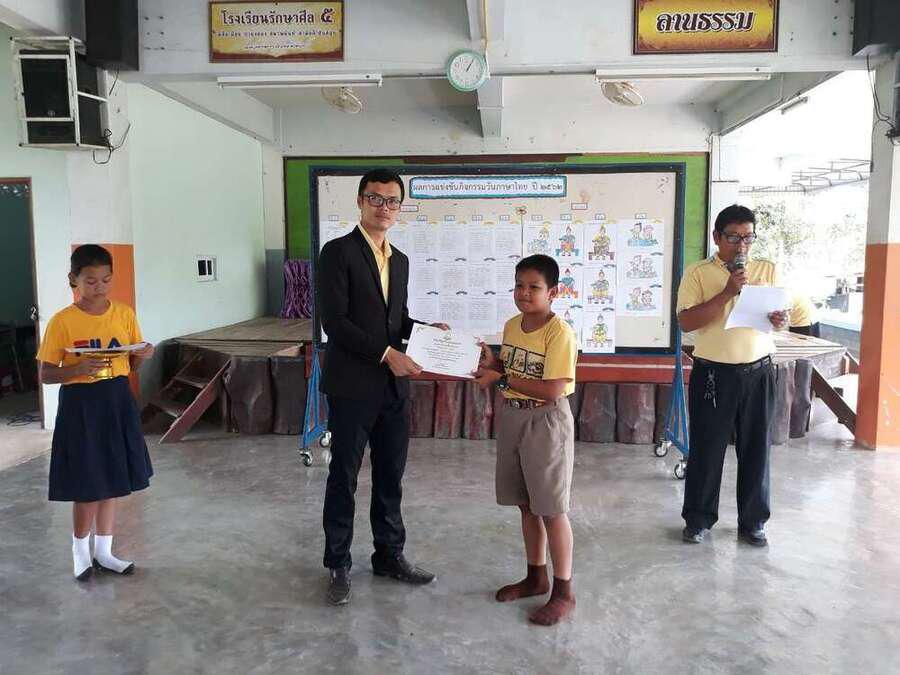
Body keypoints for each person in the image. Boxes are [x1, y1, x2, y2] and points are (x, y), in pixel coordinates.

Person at [317, 168, 448, 606]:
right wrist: (387, 354)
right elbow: (335, 322)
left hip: (393, 389)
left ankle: (389, 556)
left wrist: (427, 332)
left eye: (392, 201)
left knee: (391, 475)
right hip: (352, 386)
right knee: (344, 477)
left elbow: (396, 321)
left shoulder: (401, 260)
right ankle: (338, 562)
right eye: (375, 198)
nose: (384, 207)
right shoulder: (337, 252)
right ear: (360, 201)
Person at [36, 245, 155, 581]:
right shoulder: (62, 321)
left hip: (117, 400)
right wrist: (76, 369)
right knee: (88, 483)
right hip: (81, 404)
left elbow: (131, 365)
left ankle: (104, 552)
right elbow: (45, 374)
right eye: (90, 281)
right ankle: (80, 553)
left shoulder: (124, 314)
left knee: (113, 479)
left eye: (105, 280)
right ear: (73, 279)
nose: (99, 287)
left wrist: (142, 355)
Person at [474, 254, 578, 626]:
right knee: (526, 504)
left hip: (546, 421)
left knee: (551, 508)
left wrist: (500, 379)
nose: (524, 293)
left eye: (534, 287)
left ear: (553, 292)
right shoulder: (512, 325)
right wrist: (492, 363)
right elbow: (512, 368)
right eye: (519, 285)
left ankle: (564, 591)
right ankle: (536, 576)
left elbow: (552, 389)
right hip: (514, 416)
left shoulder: (559, 333)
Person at [676, 205, 789, 547]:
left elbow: (779, 317)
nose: (742, 246)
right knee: (707, 450)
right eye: (733, 237)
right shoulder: (697, 273)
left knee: (757, 450)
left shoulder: (767, 269)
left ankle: (753, 522)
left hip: (758, 372)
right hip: (713, 374)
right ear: (716, 237)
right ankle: (698, 520)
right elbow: (686, 322)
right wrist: (727, 292)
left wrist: (780, 320)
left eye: (748, 238)